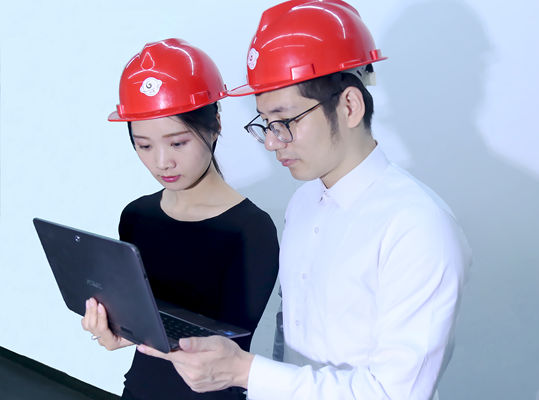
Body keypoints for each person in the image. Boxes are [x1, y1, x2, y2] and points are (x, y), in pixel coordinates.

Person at [138, 2, 471, 399]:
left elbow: (395, 393)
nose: (272, 142)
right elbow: (290, 339)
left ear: (349, 106)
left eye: (285, 121)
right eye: (266, 123)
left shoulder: (417, 227)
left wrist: (246, 372)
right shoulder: (304, 203)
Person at [80, 38, 279, 400]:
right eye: (144, 145)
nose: (162, 162)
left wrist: (141, 334)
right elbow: (143, 319)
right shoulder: (136, 216)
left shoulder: (250, 231)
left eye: (177, 143)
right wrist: (118, 330)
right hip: (139, 390)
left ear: (215, 125)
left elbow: (226, 353)